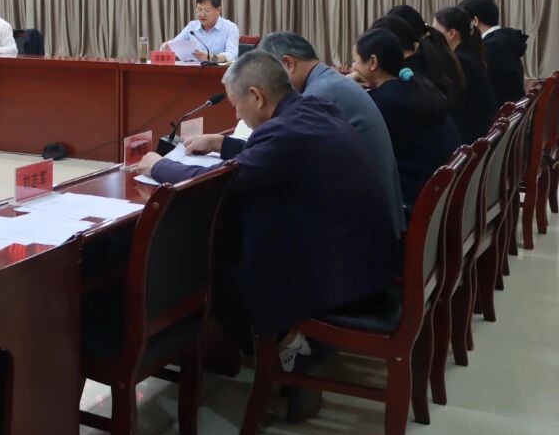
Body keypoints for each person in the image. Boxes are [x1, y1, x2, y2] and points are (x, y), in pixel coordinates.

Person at [133, 52, 395, 406]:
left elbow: (221, 185)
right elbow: (271, 155)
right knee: (242, 237)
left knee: (217, 275)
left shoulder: (286, 132)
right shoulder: (313, 109)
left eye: (236, 104)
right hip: (363, 252)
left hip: (342, 273)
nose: (236, 116)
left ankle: (292, 352)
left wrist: (159, 166)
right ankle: (288, 346)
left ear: (256, 96)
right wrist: (221, 143)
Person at [257, 31, 405, 236]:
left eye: (268, 77)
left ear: (289, 64)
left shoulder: (317, 96)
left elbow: (276, 153)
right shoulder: (329, 81)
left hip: (367, 230)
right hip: (378, 216)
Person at [352, 28, 462, 206]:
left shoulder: (382, 103)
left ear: (372, 62)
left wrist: (347, 85)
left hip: (417, 202)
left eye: (355, 60)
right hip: (445, 194)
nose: (353, 67)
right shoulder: (417, 84)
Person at [433, 6, 498, 142]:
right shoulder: (470, 56)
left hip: (471, 140)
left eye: (435, 31)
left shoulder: (460, 63)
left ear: (451, 33)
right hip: (480, 134)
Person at [459, 0, 528, 103]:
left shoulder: (492, 46)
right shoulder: (503, 39)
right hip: (509, 107)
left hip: (499, 109)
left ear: (475, 21)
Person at [162, 0, 240, 62]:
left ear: (218, 10)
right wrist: (167, 46)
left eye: (207, 11)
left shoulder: (230, 28)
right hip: (193, 70)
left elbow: (232, 55)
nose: (202, 14)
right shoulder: (192, 26)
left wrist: (211, 58)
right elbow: (175, 44)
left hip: (218, 71)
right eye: (199, 10)